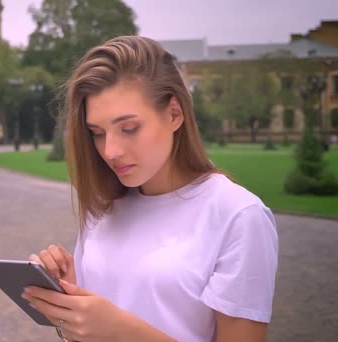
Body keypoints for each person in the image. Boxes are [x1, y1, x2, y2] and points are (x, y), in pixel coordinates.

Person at [21, 36, 278, 342]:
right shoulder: (103, 209)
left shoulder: (239, 216)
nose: (111, 150)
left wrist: (121, 331)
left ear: (174, 114)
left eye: (128, 128)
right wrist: (69, 305)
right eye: (97, 133)